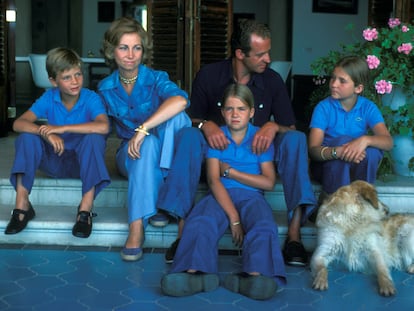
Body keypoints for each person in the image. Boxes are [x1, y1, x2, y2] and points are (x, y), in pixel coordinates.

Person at [157, 19, 317, 266]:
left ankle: (294, 236)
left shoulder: (273, 81)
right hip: (216, 155)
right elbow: (190, 120)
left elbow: (290, 126)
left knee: (295, 139)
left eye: (268, 52)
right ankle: (182, 233)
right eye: (261, 54)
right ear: (240, 54)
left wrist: (273, 125)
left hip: (257, 155)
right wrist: (204, 124)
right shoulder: (209, 75)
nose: (268, 59)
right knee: (188, 136)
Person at [161, 84, 286, 300]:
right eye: (229, 109)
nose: (235, 114)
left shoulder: (260, 138)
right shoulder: (217, 137)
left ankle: (255, 277)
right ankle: (195, 274)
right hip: (219, 195)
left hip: (252, 196)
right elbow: (213, 180)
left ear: (252, 112)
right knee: (200, 221)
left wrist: (231, 172)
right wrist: (234, 218)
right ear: (222, 112)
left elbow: (268, 182)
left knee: (263, 225)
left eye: (241, 109)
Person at [98, 17, 191, 262]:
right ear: (112, 51)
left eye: (136, 47)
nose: (131, 54)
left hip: (159, 148)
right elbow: (101, 129)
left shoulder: (157, 78)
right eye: (123, 47)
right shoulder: (105, 88)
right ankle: (138, 225)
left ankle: (140, 222)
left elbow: (181, 101)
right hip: (129, 155)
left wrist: (143, 128)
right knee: (144, 146)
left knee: (176, 118)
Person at [6, 47, 110, 238]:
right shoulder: (49, 98)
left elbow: (104, 126)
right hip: (55, 162)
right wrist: (45, 133)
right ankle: (22, 206)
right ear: (54, 81)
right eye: (67, 77)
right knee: (27, 137)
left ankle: (85, 210)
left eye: (78, 74)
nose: (75, 81)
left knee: (94, 138)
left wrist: (62, 129)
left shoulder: (90, 98)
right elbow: (18, 123)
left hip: (83, 165)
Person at [308, 55, 393, 196]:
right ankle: (333, 201)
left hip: (355, 166)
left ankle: (364, 199)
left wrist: (365, 140)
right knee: (343, 141)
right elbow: (313, 151)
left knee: (372, 151)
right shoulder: (323, 108)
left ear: (358, 88)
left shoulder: (368, 107)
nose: (334, 84)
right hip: (326, 167)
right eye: (333, 78)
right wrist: (337, 151)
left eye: (342, 81)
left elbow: (388, 142)